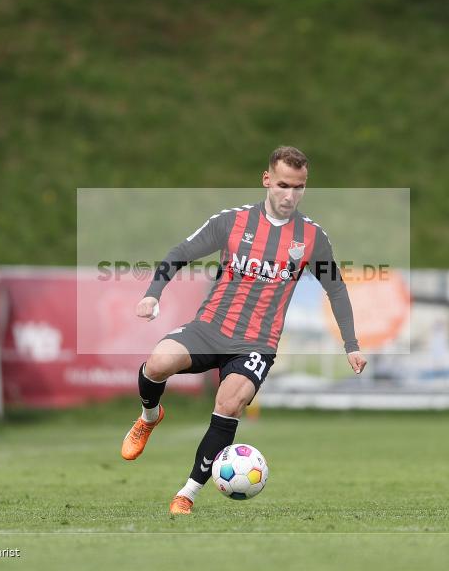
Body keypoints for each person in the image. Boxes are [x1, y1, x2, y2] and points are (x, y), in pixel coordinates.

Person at [121, 146, 367, 515]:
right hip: (210, 327)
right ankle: (149, 417)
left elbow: (336, 288)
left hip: (257, 343)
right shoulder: (232, 222)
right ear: (267, 180)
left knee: (229, 403)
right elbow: (180, 252)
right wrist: (152, 294)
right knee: (157, 363)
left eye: (298, 187)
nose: (290, 195)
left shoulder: (312, 237)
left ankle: (186, 494)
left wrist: (351, 344)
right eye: (283, 185)